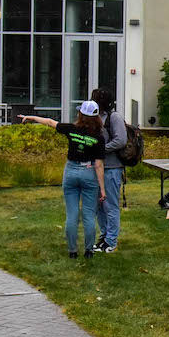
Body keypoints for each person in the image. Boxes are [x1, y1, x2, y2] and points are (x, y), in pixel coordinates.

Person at [18, 104, 106, 257]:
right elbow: (98, 165)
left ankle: (72, 251)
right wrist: (103, 189)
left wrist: (32, 118)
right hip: (88, 173)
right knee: (88, 215)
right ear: (97, 117)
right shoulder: (99, 137)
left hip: (71, 172)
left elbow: (50, 122)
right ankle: (88, 251)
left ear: (80, 114)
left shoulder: (71, 128)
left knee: (71, 214)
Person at [90, 88, 130, 254]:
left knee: (110, 206)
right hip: (97, 168)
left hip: (112, 169)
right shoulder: (96, 118)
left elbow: (120, 140)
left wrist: (101, 149)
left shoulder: (114, 118)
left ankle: (111, 241)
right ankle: (104, 236)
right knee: (99, 205)